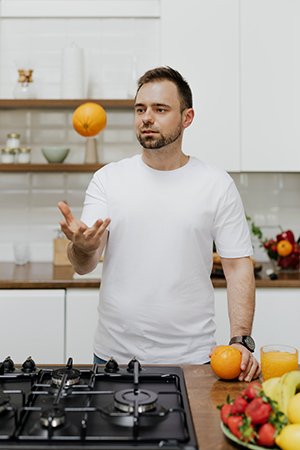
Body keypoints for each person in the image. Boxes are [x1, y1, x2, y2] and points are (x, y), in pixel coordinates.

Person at [58, 66, 261, 382]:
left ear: (187, 118)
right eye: (140, 109)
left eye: (160, 109)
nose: (146, 118)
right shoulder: (108, 180)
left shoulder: (216, 184)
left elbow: (238, 267)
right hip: (114, 358)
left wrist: (240, 339)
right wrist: (81, 248)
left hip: (193, 360)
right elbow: (83, 265)